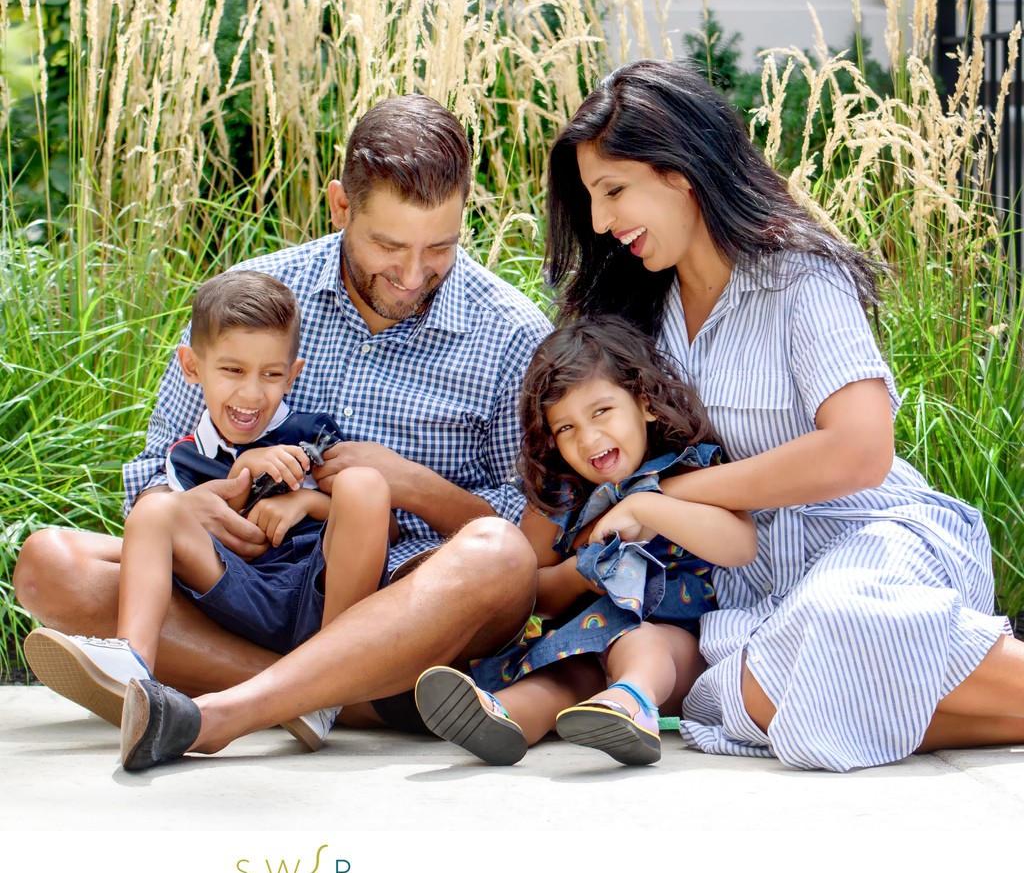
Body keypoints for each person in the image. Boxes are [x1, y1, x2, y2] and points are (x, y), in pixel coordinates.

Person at [14, 93, 552, 766]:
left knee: (498, 556)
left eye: (439, 248)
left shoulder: (512, 333)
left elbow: (533, 545)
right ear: (340, 207)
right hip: (248, 577)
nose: (413, 275)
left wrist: (411, 486)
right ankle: (344, 700)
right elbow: (157, 465)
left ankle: (219, 710)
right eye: (389, 245)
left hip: (404, 600)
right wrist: (195, 504)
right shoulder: (257, 296)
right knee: (48, 566)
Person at [541, 57, 1024, 773]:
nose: (603, 221)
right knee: (745, 695)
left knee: (836, 622)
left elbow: (860, 452)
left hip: (870, 538)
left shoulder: (801, 277)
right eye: (593, 199)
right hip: (755, 584)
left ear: (680, 171)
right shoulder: (639, 314)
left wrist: (671, 495)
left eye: (614, 191)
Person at [25, 269, 395, 748]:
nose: (251, 393)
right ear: (192, 367)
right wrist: (242, 469)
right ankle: (132, 665)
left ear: (293, 375)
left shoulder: (311, 432)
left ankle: (326, 685)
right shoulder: (186, 456)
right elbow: (216, 532)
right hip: (232, 594)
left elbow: (382, 526)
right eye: (232, 370)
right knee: (155, 510)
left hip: (316, 594)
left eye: (271, 374)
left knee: (364, 482)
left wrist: (306, 500)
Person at [414, 316, 756, 766]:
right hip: (579, 642)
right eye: (566, 428)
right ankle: (500, 717)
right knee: (558, 678)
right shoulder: (559, 494)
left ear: (646, 403)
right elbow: (531, 587)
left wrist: (646, 508)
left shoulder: (687, 469)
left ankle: (631, 704)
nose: (589, 438)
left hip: (676, 648)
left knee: (639, 642)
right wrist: (580, 573)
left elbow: (740, 546)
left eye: (600, 412)